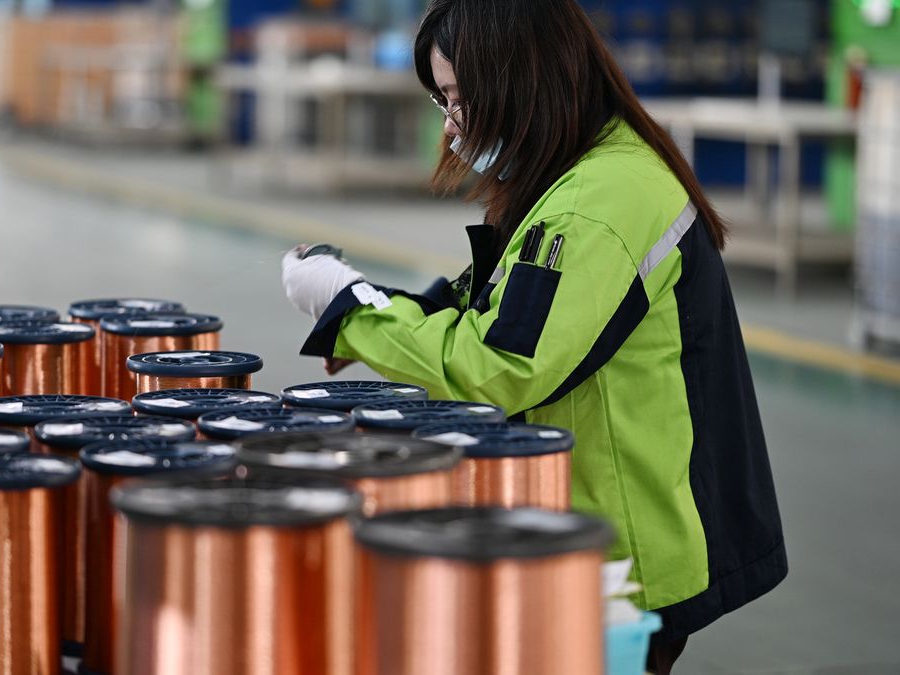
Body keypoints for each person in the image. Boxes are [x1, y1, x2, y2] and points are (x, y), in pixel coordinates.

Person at [280, 1, 786, 672]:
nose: (454, 130)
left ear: (521, 81)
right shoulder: (584, 171)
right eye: (444, 102)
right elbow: (497, 305)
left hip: (624, 559)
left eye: (461, 99)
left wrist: (351, 312)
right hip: (589, 525)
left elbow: (494, 363)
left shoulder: (600, 201)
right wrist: (380, 307)